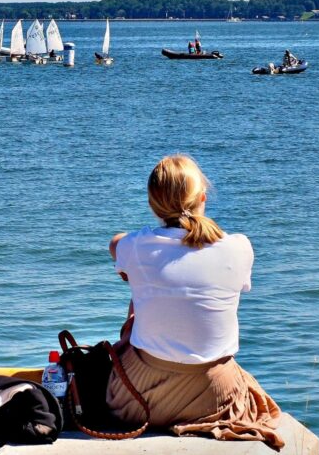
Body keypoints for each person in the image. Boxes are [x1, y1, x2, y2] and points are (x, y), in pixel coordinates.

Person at [105, 155, 284, 448]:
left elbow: (115, 243)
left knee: (138, 306)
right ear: (202, 197)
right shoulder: (238, 247)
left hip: (138, 399)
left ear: (153, 205)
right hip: (215, 398)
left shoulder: (132, 247)